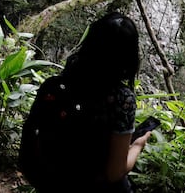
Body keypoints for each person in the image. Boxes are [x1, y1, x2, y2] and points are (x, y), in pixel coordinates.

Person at [36, 11, 151, 192]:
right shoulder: (122, 100)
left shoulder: (53, 87)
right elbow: (115, 172)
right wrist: (137, 146)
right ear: (128, 57)